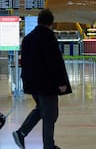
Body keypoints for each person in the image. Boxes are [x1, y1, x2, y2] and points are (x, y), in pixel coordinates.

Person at [12, 9, 72, 149]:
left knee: (41, 109)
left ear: (39, 21)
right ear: (51, 23)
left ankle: (21, 133)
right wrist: (61, 82)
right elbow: (54, 62)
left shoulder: (28, 38)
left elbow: (24, 62)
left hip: (33, 84)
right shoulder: (48, 37)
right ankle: (48, 146)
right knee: (50, 114)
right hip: (47, 85)